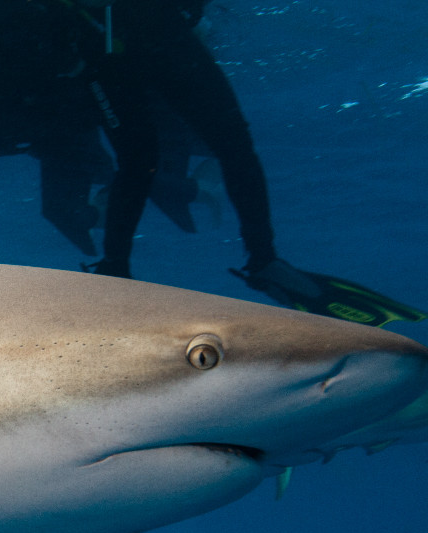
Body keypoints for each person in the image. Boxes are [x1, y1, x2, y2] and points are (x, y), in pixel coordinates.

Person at [62, 0, 425, 327]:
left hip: (143, 34)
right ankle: (260, 260)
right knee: (205, 152)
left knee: (167, 157)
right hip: (120, 41)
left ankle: (120, 267)